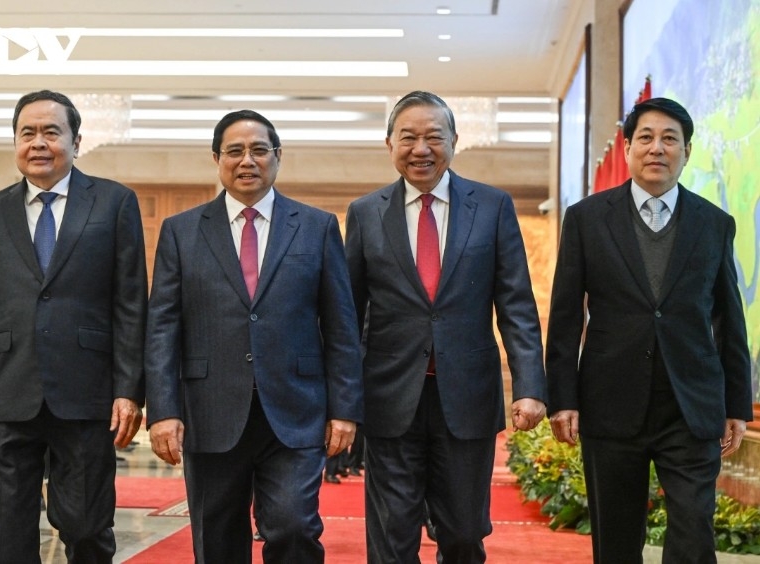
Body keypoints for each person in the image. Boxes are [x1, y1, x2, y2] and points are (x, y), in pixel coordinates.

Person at [145, 109, 363, 563]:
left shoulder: (317, 227)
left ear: (278, 157)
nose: (248, 160)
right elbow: (163, 327)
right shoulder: (181, 232)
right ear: (216, 159)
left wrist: (345, 409)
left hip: (296, 410)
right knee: (218, 539)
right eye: (235, 151)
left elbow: (342, 326)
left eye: (259, 150)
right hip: (210, 411)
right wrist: (162, 411)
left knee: (293, 526)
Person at [0, 89, 148, 563]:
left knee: (87, 524)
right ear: (15, 142)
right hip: (9, 394)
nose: (38, 142)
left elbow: (132, 303)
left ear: (76, 141)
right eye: (26, 132)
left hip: (88, 393)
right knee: (11, 532)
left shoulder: (115, 203)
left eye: (51, 132)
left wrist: (130, 388)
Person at [546, 97, 753, 563]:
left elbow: (728, 318)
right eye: (645, 138)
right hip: (610, 400)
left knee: (693, 533)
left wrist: (737, 403)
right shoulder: (586, 219)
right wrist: (563, 397)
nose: (656, 148)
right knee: (616, 540)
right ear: (627, 148)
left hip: (691, 403)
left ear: (687, 151)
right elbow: (564, 318)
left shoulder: (714, 224)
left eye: (669, 139)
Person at [344, 90, 547, 563]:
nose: (421, 149)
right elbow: (347, 316)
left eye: (434, 137)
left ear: (455, 141)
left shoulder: (493, 207)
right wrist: (341, 398)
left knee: (461, 533)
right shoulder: (365, 213)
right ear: (388, 144)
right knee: (392, 539)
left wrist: (530, 386)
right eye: (408, 137)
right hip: (389, 399)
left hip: (466, 399)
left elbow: (515, 304)